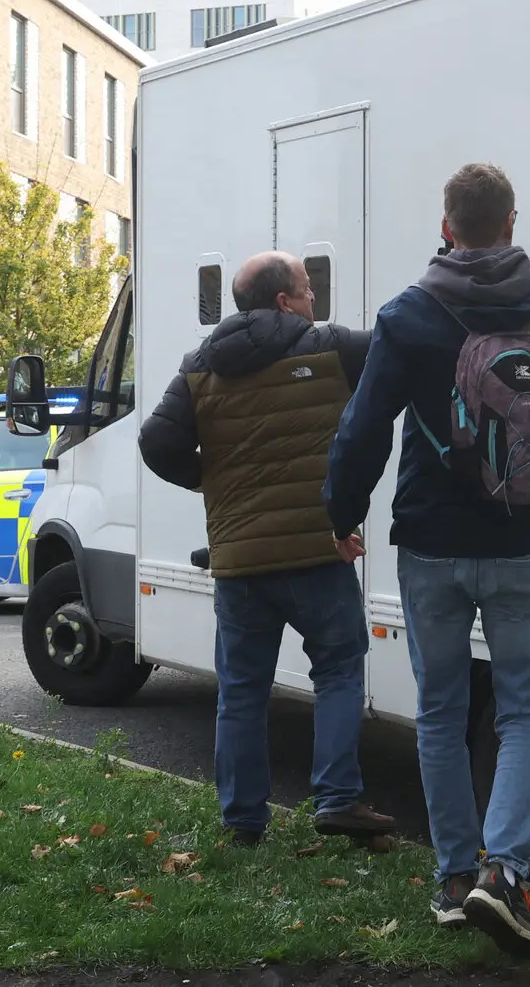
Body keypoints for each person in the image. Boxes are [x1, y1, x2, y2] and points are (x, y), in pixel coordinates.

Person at [325, 162, 530, 957]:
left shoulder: (410, 313)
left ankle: (456, 879)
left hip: (430, 543)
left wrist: (341, 515)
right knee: (522, 709)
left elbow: (362, 432)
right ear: (513, 218)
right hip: (527, 539)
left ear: (447, 224)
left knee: (440, 711)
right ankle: (507, 873)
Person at [138, 250, 396, 848]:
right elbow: (395, 349)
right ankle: (336, 799)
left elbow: (156, 440)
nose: (313, 301)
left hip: (240, 562)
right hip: (316, 553)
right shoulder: (331, 345)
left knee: (242, 691)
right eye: (307, 290)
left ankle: (243, 821)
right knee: (337, 670)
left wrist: (209, 479)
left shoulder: (199, 363)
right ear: (284, 300)